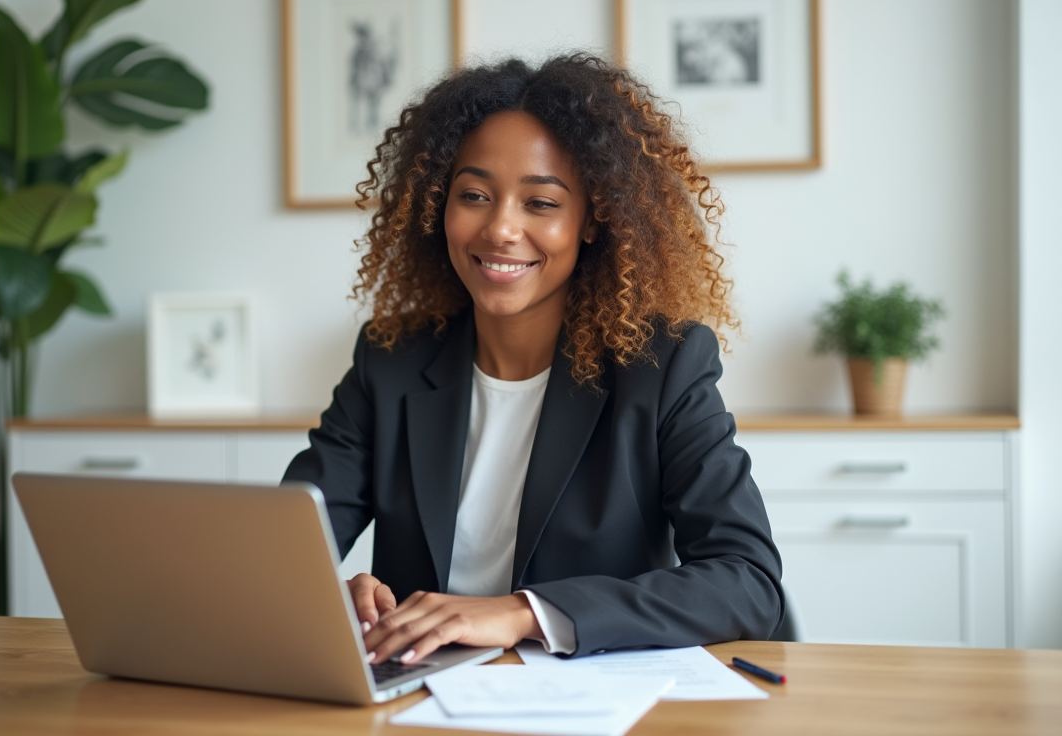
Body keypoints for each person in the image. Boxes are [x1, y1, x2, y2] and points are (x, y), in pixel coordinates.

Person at [283, 53, 783, 665]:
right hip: (417, 700)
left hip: (590, 706)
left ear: (592, 220)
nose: (499, 228)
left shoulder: (663, 366)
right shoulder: (390, 360)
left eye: (540, 203)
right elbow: (282, 550)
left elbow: (747, 581)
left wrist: (524, 612)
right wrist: (328, 594)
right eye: (474, 195)